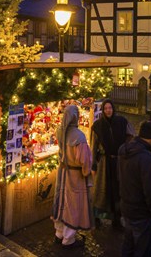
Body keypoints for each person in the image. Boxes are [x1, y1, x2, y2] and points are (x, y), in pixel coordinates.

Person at [118, 121, 151, 257]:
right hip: (142, 213)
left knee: (129, 244)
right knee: (143, 249)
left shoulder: (124, 150)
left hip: (127, 207)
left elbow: (119, 177)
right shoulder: (147, 159)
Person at [52, 104, 93, 249]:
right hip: (74, 176)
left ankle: (59, 233)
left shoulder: (59, 131)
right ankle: (68, 239)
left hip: (62, 173)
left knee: (61, 202)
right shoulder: (78, 136)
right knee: (72, 205)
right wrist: (86, 172)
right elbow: (85, 161)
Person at [91, 99, 135, 229]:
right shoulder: (98, 126)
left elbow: (131, 135)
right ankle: (97, 216)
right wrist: (93, 163)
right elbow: (94, 146)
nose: (108, 110)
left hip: (118, 162)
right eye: (105, 109)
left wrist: (125, 149)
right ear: (103, 110)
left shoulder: (121, 121)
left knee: (117, 190)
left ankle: (117, 219)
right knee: (103, 190)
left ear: (113, 109)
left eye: (110, 108)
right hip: (104, 162)